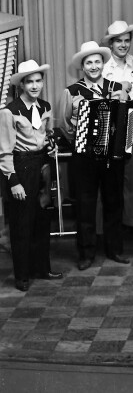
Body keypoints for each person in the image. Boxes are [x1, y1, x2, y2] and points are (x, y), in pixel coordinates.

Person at [61, 40, 131, 270]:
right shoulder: (71, 92)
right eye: (88, 62)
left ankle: (115, 249)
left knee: (114, 202)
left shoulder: (117, 88)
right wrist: (83, 141)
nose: (93, 66)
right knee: (85, 205)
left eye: (97, 62)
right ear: (82, 66)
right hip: (84, 158)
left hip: (112, 157)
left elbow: (127, 118)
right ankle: (86, 253)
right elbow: (65, 127)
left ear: (103, 63)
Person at [0, 60, 62, 292]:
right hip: (21, 166)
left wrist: (50, 147)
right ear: (22, 85)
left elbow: (45, 136)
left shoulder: (45, 106)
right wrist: (13, 181)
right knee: (21, 223)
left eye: (38, 81)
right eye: (30, 82)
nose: (35, 85)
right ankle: (22, 275)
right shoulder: (9, 111)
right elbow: (4, 150)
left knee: (42, 220)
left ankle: (42, 268)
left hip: (42, 166)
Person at [101, 20, 133, 236]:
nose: (123, 44)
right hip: (108, 122)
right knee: (109, 174)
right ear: (110, 44)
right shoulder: (102, 66)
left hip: (130, 120)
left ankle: (131, 222)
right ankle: (109, 226)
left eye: (126, 40)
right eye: (118, 41)